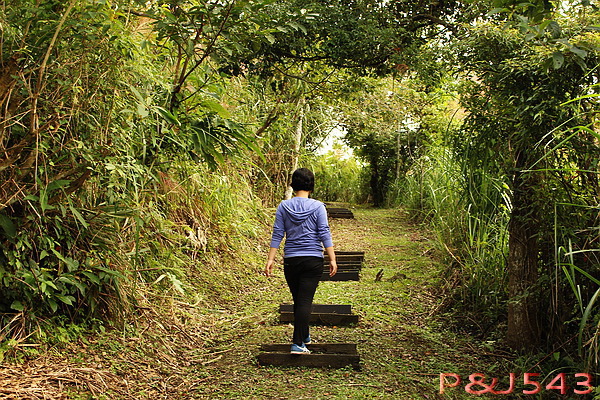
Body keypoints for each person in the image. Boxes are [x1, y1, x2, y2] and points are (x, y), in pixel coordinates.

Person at [264, 168, 337, 354]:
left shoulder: (283, 206)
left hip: (291, 260)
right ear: (311, 186)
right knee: (304, 300)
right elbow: (324, 233)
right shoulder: (318, 207)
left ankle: (304, 335)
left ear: (293, 184)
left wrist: (271, 259)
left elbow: (278, 233)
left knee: (299, 300)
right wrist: (332, 258)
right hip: (312, 259)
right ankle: (297, 343)